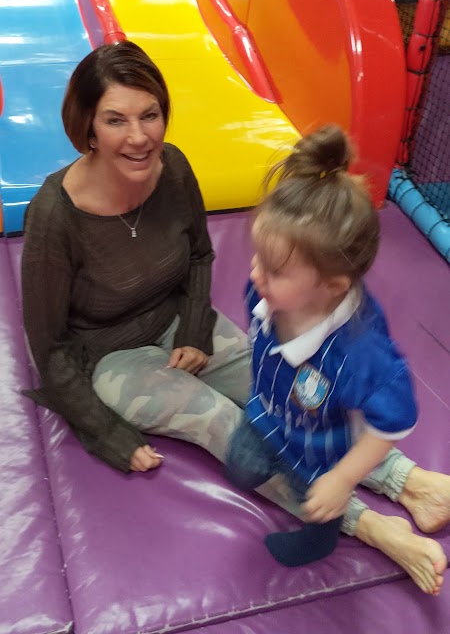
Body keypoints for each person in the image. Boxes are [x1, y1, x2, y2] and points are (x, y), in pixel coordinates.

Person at [22, 42, 449, 595]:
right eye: (115, 120)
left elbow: (199, 255)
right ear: (87, 127)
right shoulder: (56, 215)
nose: (139, 136)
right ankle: (369, 526)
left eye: (149, 115)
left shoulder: (172, 167)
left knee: (288, 392)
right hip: (111, 354)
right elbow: (49, 345)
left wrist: (195, 329)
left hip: (178, 320)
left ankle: (409, 482)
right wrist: (105, 432)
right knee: (223, 422)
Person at [224, 124, 420, 569]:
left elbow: (394, 422)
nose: (255, 274)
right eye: (257, 257)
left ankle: (321, 539)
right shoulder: (264, 294)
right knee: (241, 466)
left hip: (319, 453)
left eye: (273, 270)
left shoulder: (359, 354)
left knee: (314, 501)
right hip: (266, 413)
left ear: (332, 285)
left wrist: (342, 479)